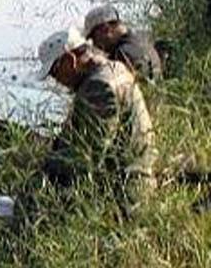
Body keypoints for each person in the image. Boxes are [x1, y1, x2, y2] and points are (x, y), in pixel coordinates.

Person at [38, 26, 156, 203]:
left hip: (125, 191)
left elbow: (88, 157)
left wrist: (47, 167)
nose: (56, 80)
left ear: (70, 61)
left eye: (55, 72)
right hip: (135, 177)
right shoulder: (115, 68)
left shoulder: (98, 87)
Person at [83, 4, 163, 81]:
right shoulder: (142, 41)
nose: (95, 45)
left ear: (106, 29)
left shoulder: (123, 54)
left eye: (94, 39)